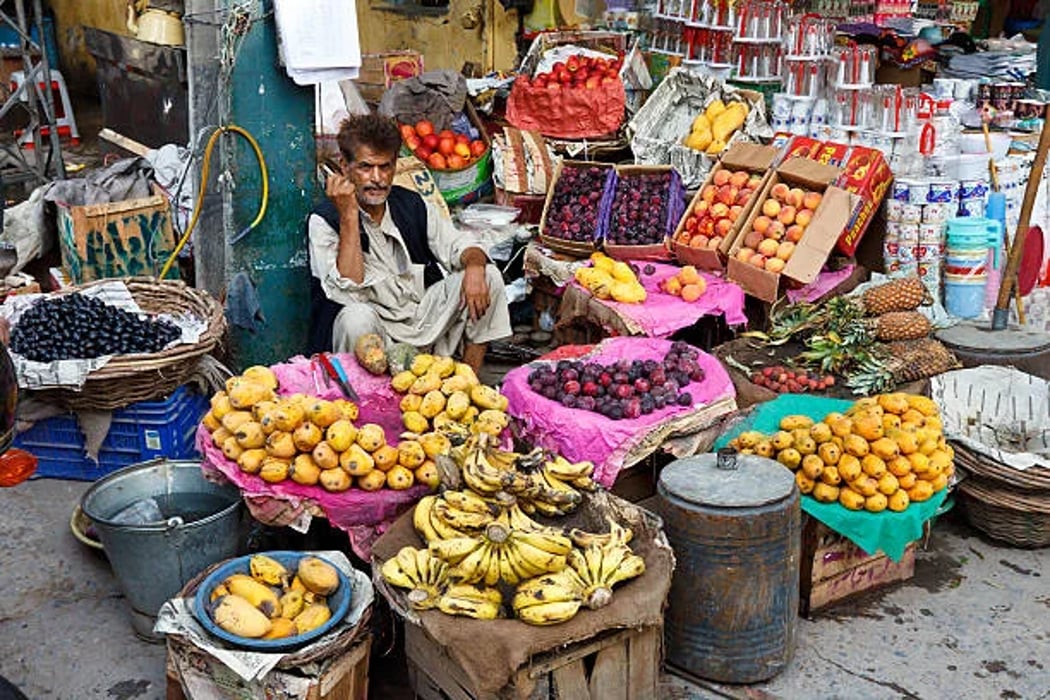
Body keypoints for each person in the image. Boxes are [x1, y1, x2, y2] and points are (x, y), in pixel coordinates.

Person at [307, 112, 511, 372]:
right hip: (375, 333)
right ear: (345, 167)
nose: (377, 178)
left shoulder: (411, 204)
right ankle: (366, 395)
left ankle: (468, 381)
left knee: (488, 276)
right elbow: (350, 288)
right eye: (366, 167)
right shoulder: (324, 221)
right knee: (354, 318)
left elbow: (460, 245)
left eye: (385, 167)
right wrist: (348, 216)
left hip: (421, 321)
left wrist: (474, 266)